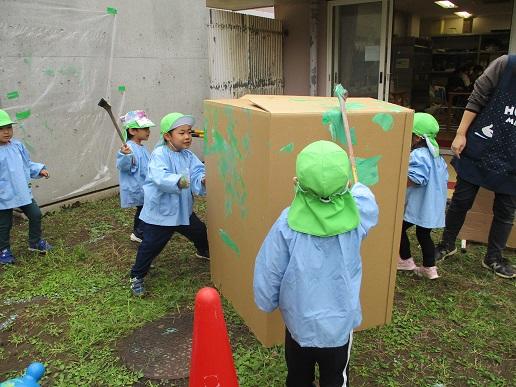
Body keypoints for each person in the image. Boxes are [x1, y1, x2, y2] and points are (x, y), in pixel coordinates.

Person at [253, 140, 379, 387]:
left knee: (298, 376)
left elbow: (270, 268)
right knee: (336, 378)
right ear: (344, 184)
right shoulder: (358, 216)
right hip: (339, 325)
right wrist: (356, 184)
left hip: (299, 323)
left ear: (297, 182)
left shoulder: (287, 222)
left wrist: (266, 300)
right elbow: (366, 199)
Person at [435, 54, 516, 279]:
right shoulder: (505, 65)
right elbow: (477, 97)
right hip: (481, 144)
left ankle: (494, 257)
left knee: (506, 210)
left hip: (512, 155)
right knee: (461, 200)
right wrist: (461, 133)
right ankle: (446, 243)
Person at [129, 112, 209, 296]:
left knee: (200, 231)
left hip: (183, 212)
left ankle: (204, 250)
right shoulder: (159, 154)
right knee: (151, 246)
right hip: (162, 215)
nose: (187, 137)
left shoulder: (188, 155)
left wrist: (203, 179)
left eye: (189, 132)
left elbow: (198, 171)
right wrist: (185, 180)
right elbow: (160, 178)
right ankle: (137, 276)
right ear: (167, 136)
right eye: (181, 133)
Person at [397, 113, 448, 279]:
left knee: (398, 229)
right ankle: (429, 268)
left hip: (419, 206)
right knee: (424, 235)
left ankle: (405, 260)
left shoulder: (418, 155)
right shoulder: (437, 156)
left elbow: (415, 178)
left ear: (417, 138)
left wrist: (397, 184)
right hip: (432, 206)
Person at [0, 109, 52, 264]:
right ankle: (4, 250)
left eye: (9, 127)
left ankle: (35, 242)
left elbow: (27, 164)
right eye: (1, 129)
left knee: (35, 215)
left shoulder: (17, 146)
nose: (6, 132)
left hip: (22, 192)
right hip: (3, 195)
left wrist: (39, 170)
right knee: (4, 224)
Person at [117, 110, 155, 243]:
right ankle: (139, 232)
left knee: (144, 209)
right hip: (137, 186)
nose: (148, 131)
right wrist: (125, 155)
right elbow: (124, 166)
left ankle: (139, 231)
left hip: (145, 185)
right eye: (144, 128)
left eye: (148, 128)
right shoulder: (129, 148)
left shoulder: (141, 147)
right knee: (144, 209)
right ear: (132, 131)